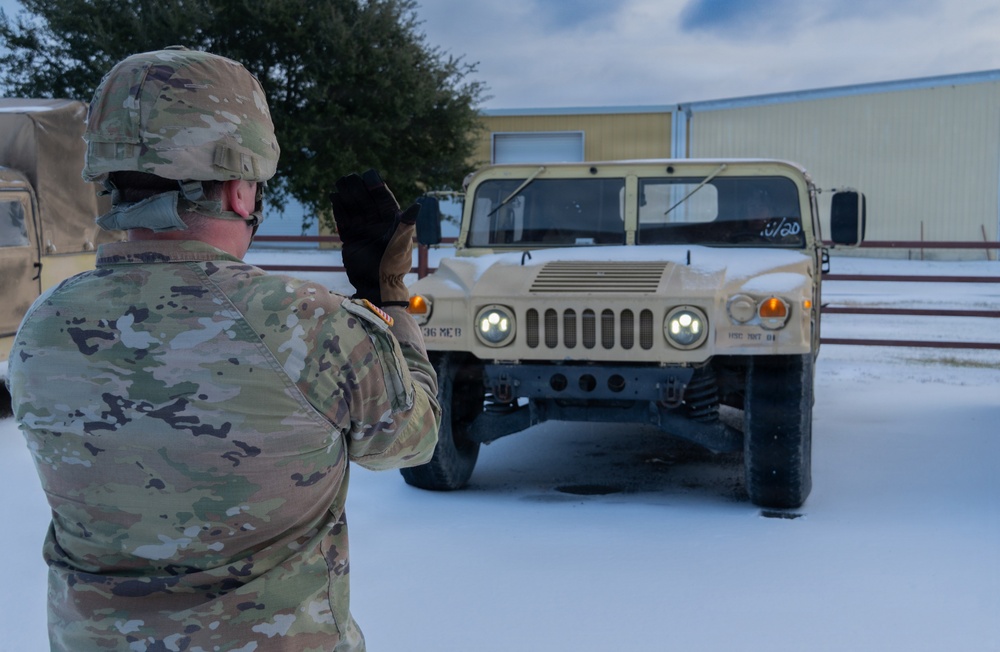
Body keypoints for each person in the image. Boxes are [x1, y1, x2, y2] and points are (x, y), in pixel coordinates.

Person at [7, 47, 440, 651]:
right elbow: (412, 441)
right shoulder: (310, 326)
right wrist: (387, 299)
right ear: (241, 191)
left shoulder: (44, 326)